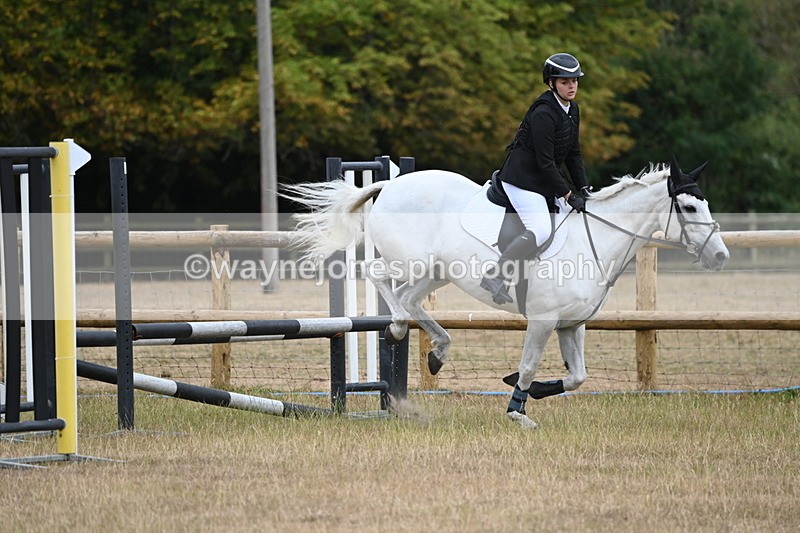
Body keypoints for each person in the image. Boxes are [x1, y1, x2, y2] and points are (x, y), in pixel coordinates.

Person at [481, 52, 592, 305]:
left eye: (575, 81)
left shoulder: (572, 109)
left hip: (542, 180)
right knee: (541, 230)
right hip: (521, 180)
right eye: (565, 82)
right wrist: (567, 194)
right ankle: (496, 274)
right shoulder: (544, 112)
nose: (572, 86)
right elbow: (545, 162)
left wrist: (584, 187)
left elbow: (573, 153)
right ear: (551, 83)